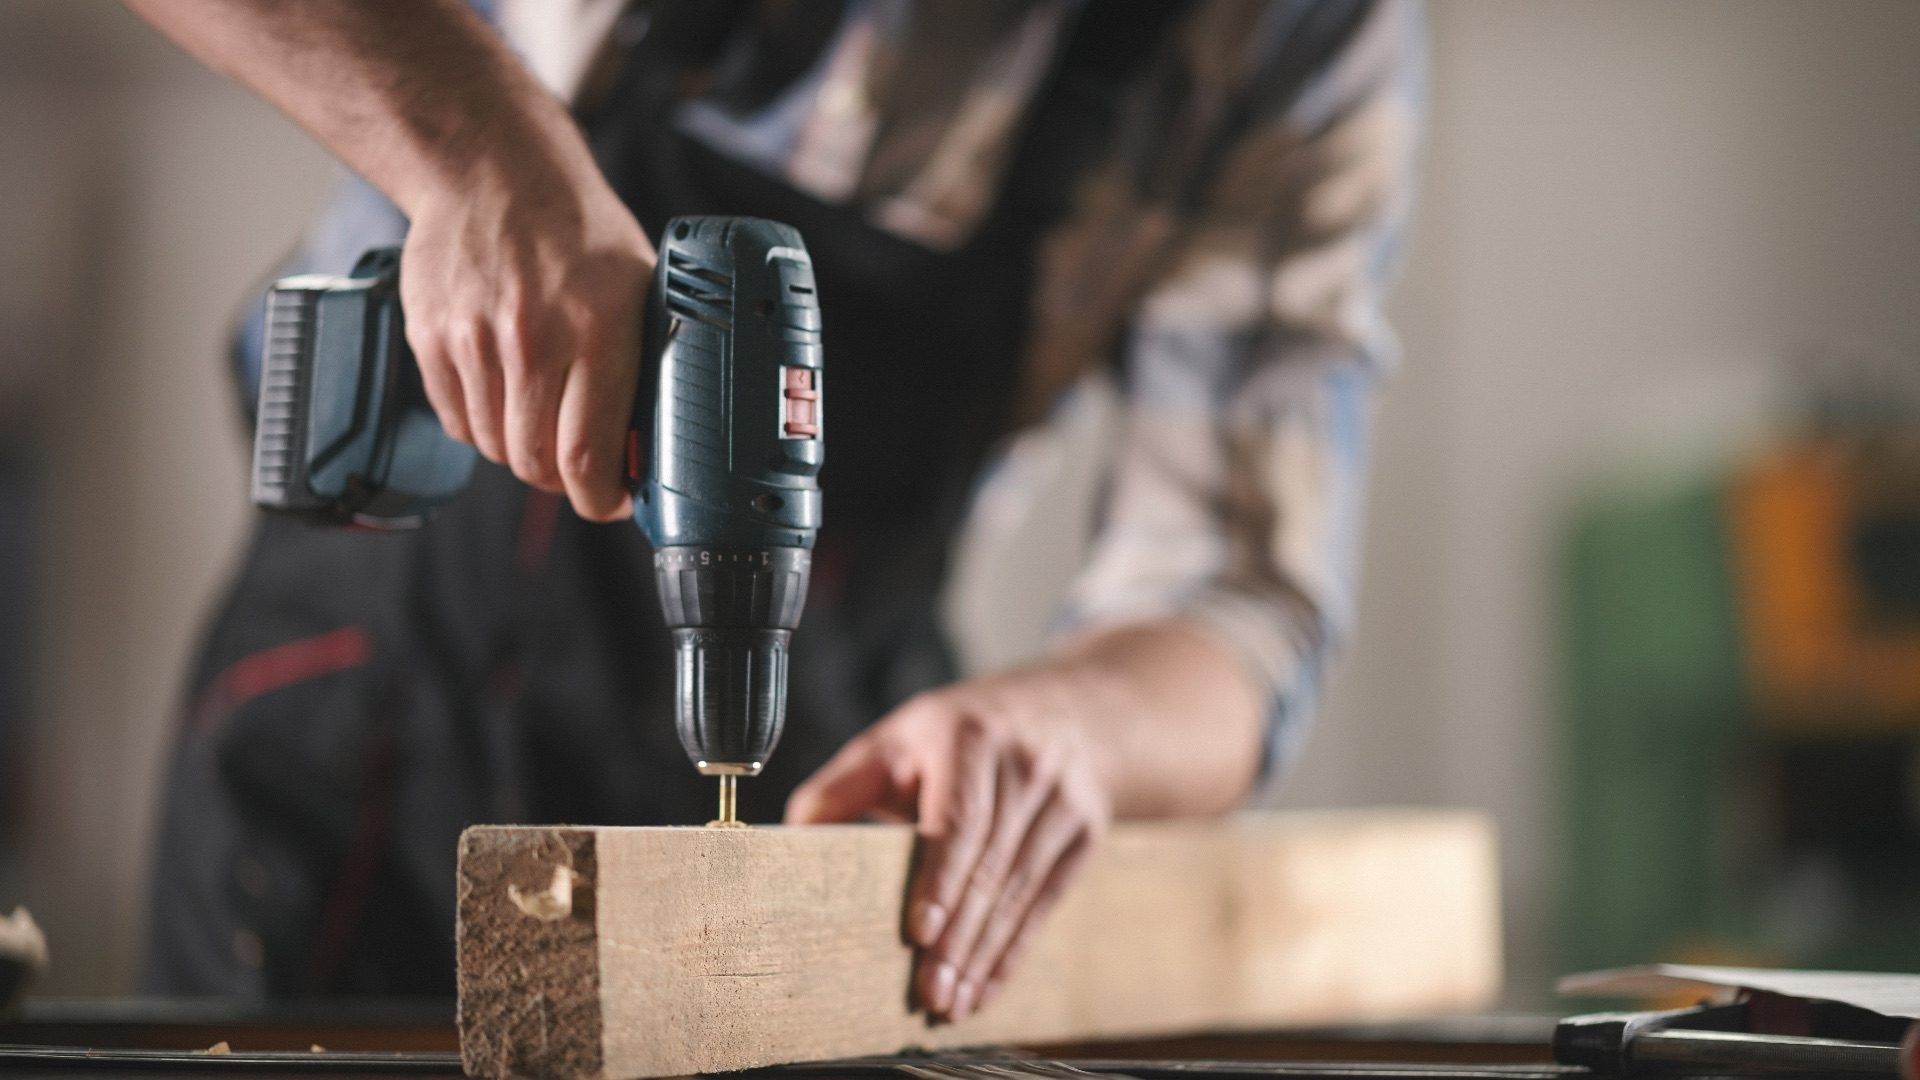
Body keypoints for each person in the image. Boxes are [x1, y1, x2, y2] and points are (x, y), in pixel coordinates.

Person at [127, 0, 1424, 1020]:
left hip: (833, 762)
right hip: (364, 715)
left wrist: (1073, 728)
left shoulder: (1285, 25)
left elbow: (1239, 594)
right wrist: (473, 144)